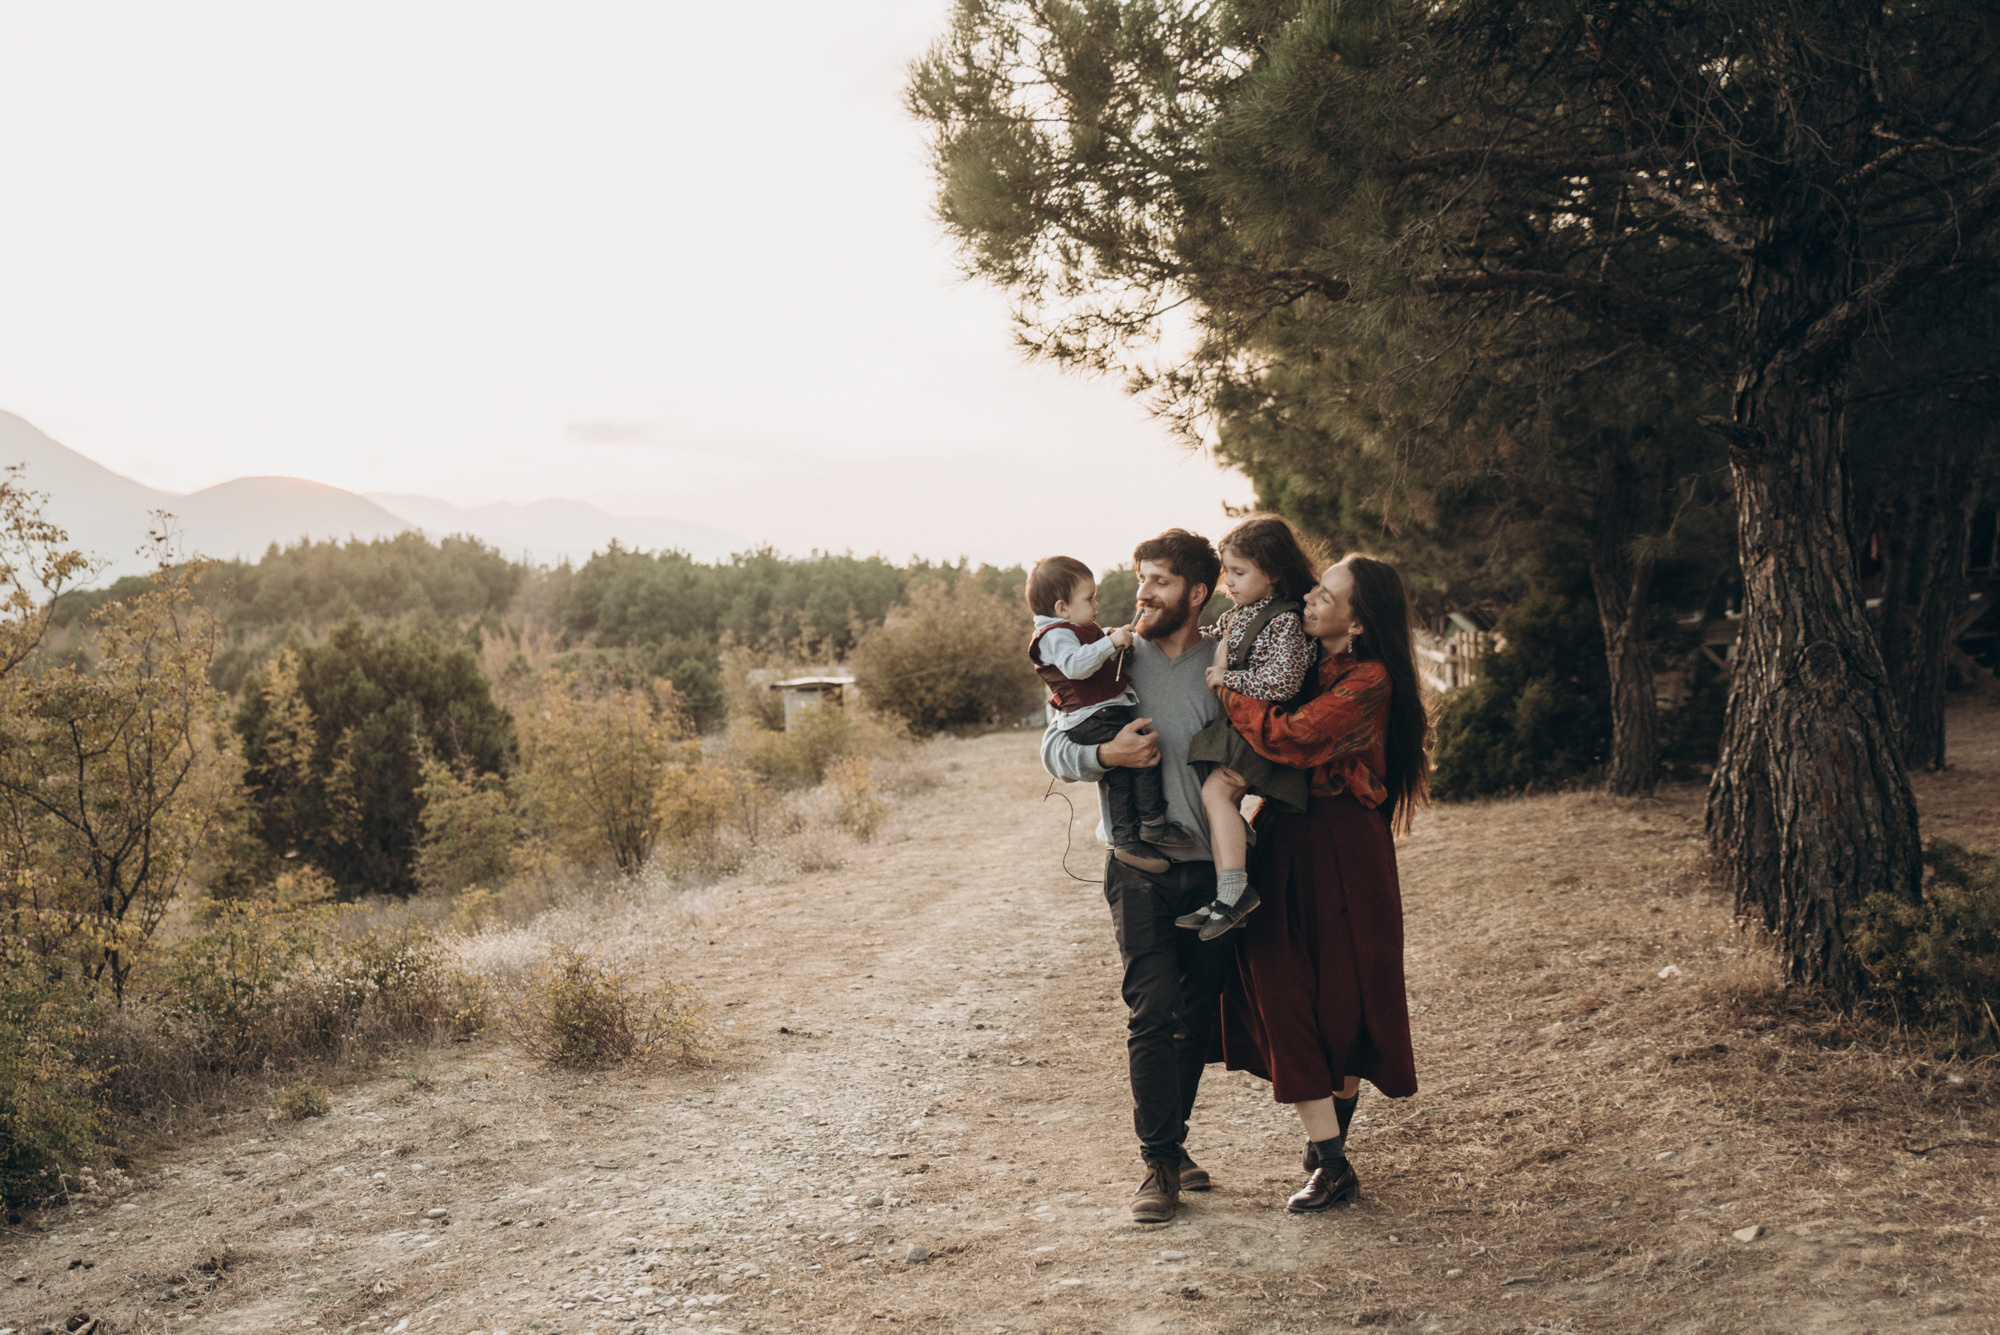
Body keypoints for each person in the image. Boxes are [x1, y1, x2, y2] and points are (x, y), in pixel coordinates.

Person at [1208, 554, 1431, 1213]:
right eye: (1312, 588)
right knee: (1281, 988)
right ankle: (1330, 1154)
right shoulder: (1302, 662)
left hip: (1345, 846)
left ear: (1356, 621)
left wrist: (1226, 686)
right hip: (1286, 836)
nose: (1308, 598)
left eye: (1325, 595)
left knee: (1345, 997)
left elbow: (1293, 740)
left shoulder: (1372, 680)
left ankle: (1331, 1158)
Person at [1040, 529, 1234, 1224]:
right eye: (1138, 578)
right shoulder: (1112, 658)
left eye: (1157, 581)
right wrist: (1108, 756)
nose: (1141, 593)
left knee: (1195, 1018)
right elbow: (1053, 748)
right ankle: (1158, 1164)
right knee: (1152, 1010)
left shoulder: (1225, 659)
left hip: (1216, 869)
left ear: (1196, 592)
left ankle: (1172, 1143)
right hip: (1135, 870)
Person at [1178, 514, 1323, 939]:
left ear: (1274, 573)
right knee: (1212, 792)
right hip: (1240, 728)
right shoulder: (1239, 615)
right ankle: (1228, 895)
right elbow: (1211, 639)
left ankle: (1233, 893)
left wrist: (1227, 678)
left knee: (1216, 792)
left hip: (1267, 730)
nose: (1229, 583)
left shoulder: (1286, 620)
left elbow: (1284, 681)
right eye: (1228, 573)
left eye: (1239, 573)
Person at [1026, 556, 1195, 870]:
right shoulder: (1054, 634)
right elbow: (1075, 665)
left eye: (1160, 581)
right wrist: (1109, 643)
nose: (1097, 604)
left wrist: (1108, 638)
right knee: (1141, 751)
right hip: (1092, 716)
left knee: (1122, 774)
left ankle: (1129, 838)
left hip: (1099, 713)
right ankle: (1152, 822)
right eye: (1089, 599)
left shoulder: (1069, 630)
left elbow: (1086, 644)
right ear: (1062, 608)